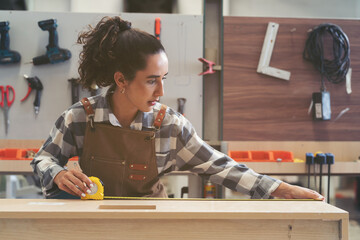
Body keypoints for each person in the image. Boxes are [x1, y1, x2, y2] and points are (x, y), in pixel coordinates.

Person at [31, 16, 324, 201]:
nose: (161, 92)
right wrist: (56, 174)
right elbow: (42, 160)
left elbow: (220, 166)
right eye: (150, 81)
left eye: (163, 79)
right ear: (121, 79)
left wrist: (278, 188)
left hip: (153, 227)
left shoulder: (169, 126)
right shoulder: (80, 117)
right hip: (93, 229)